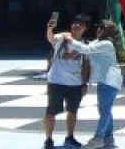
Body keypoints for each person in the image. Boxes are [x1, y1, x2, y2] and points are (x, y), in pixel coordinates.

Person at [60, 20, 123, 149]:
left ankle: (98, 138)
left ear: (108, 31)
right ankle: (108, 139)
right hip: (105, 81)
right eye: (98, 27)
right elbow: (85, 46)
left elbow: (86, 49)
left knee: (104, 110)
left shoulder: (107, 44)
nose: (98, 29)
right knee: (106, 110)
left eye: (102, 27)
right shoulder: (98, 42)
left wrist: (70, 39)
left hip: (109, 81)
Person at [44, 13, 91, 149]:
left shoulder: (86, 44)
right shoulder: (63, 37)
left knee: (73, 111)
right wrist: (50, 28)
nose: (76, 26)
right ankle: (48, 139)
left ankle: (70, 137)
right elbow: (51, 38)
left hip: (75, 83)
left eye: (80, 25)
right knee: (51, 111)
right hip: (56, 81)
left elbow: (86, 65)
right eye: (75, 23)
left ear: (85, 28)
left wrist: (84, 83)